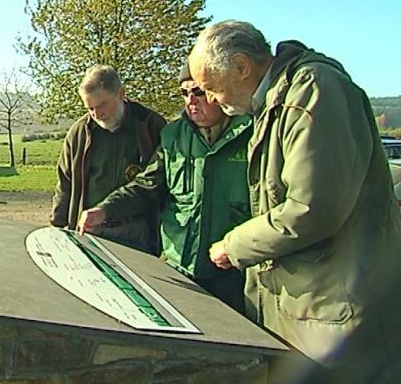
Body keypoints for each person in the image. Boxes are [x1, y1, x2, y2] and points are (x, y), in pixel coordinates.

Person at [188, 20, 401, 381]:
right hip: (311, 314)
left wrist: (234, 245)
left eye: (211, 88)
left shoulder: (315, 90)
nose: (210, 100)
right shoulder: (277, 103)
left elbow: (311, 209)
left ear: (241, 67)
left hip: (338, 321)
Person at [77, 64, 252, 313]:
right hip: (179, 264)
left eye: (199, 92)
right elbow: (148, 185)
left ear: (218, 91)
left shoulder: (252, 134)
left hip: (232, 269)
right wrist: (105, 210)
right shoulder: (173, 136)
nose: (191, 101)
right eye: (184, 93)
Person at [50, 65, 167, 254]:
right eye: (90, 108)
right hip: (89, 231)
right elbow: (65, 184)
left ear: (121, 94)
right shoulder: (79, 133)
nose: (97, 114)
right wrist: (57, 228)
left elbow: (156, 184)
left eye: (102, 105)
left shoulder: (151, 127)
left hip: (137, 235)